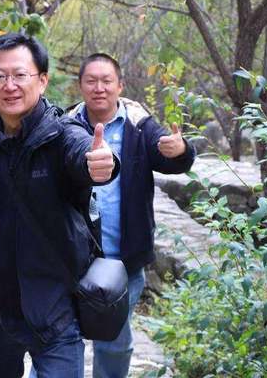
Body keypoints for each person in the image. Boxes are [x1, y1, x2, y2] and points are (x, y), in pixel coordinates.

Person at [0, 33, 119, 378]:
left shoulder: (63, 134)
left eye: (20, 75)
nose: (10, 86)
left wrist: (100, 163)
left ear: (42, 81)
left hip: (54, 312)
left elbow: (83, 154)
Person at [70, 53, 195, 378]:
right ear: (81, 85)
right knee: (63, 339)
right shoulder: (66, 125)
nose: (99, 88)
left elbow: (169, 158)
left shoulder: (139, 126)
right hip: (72, 260)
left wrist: (181, 150)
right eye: (91, 81)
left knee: (114, 342)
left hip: (123, 260)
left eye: (106, 81)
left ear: (120, 86)